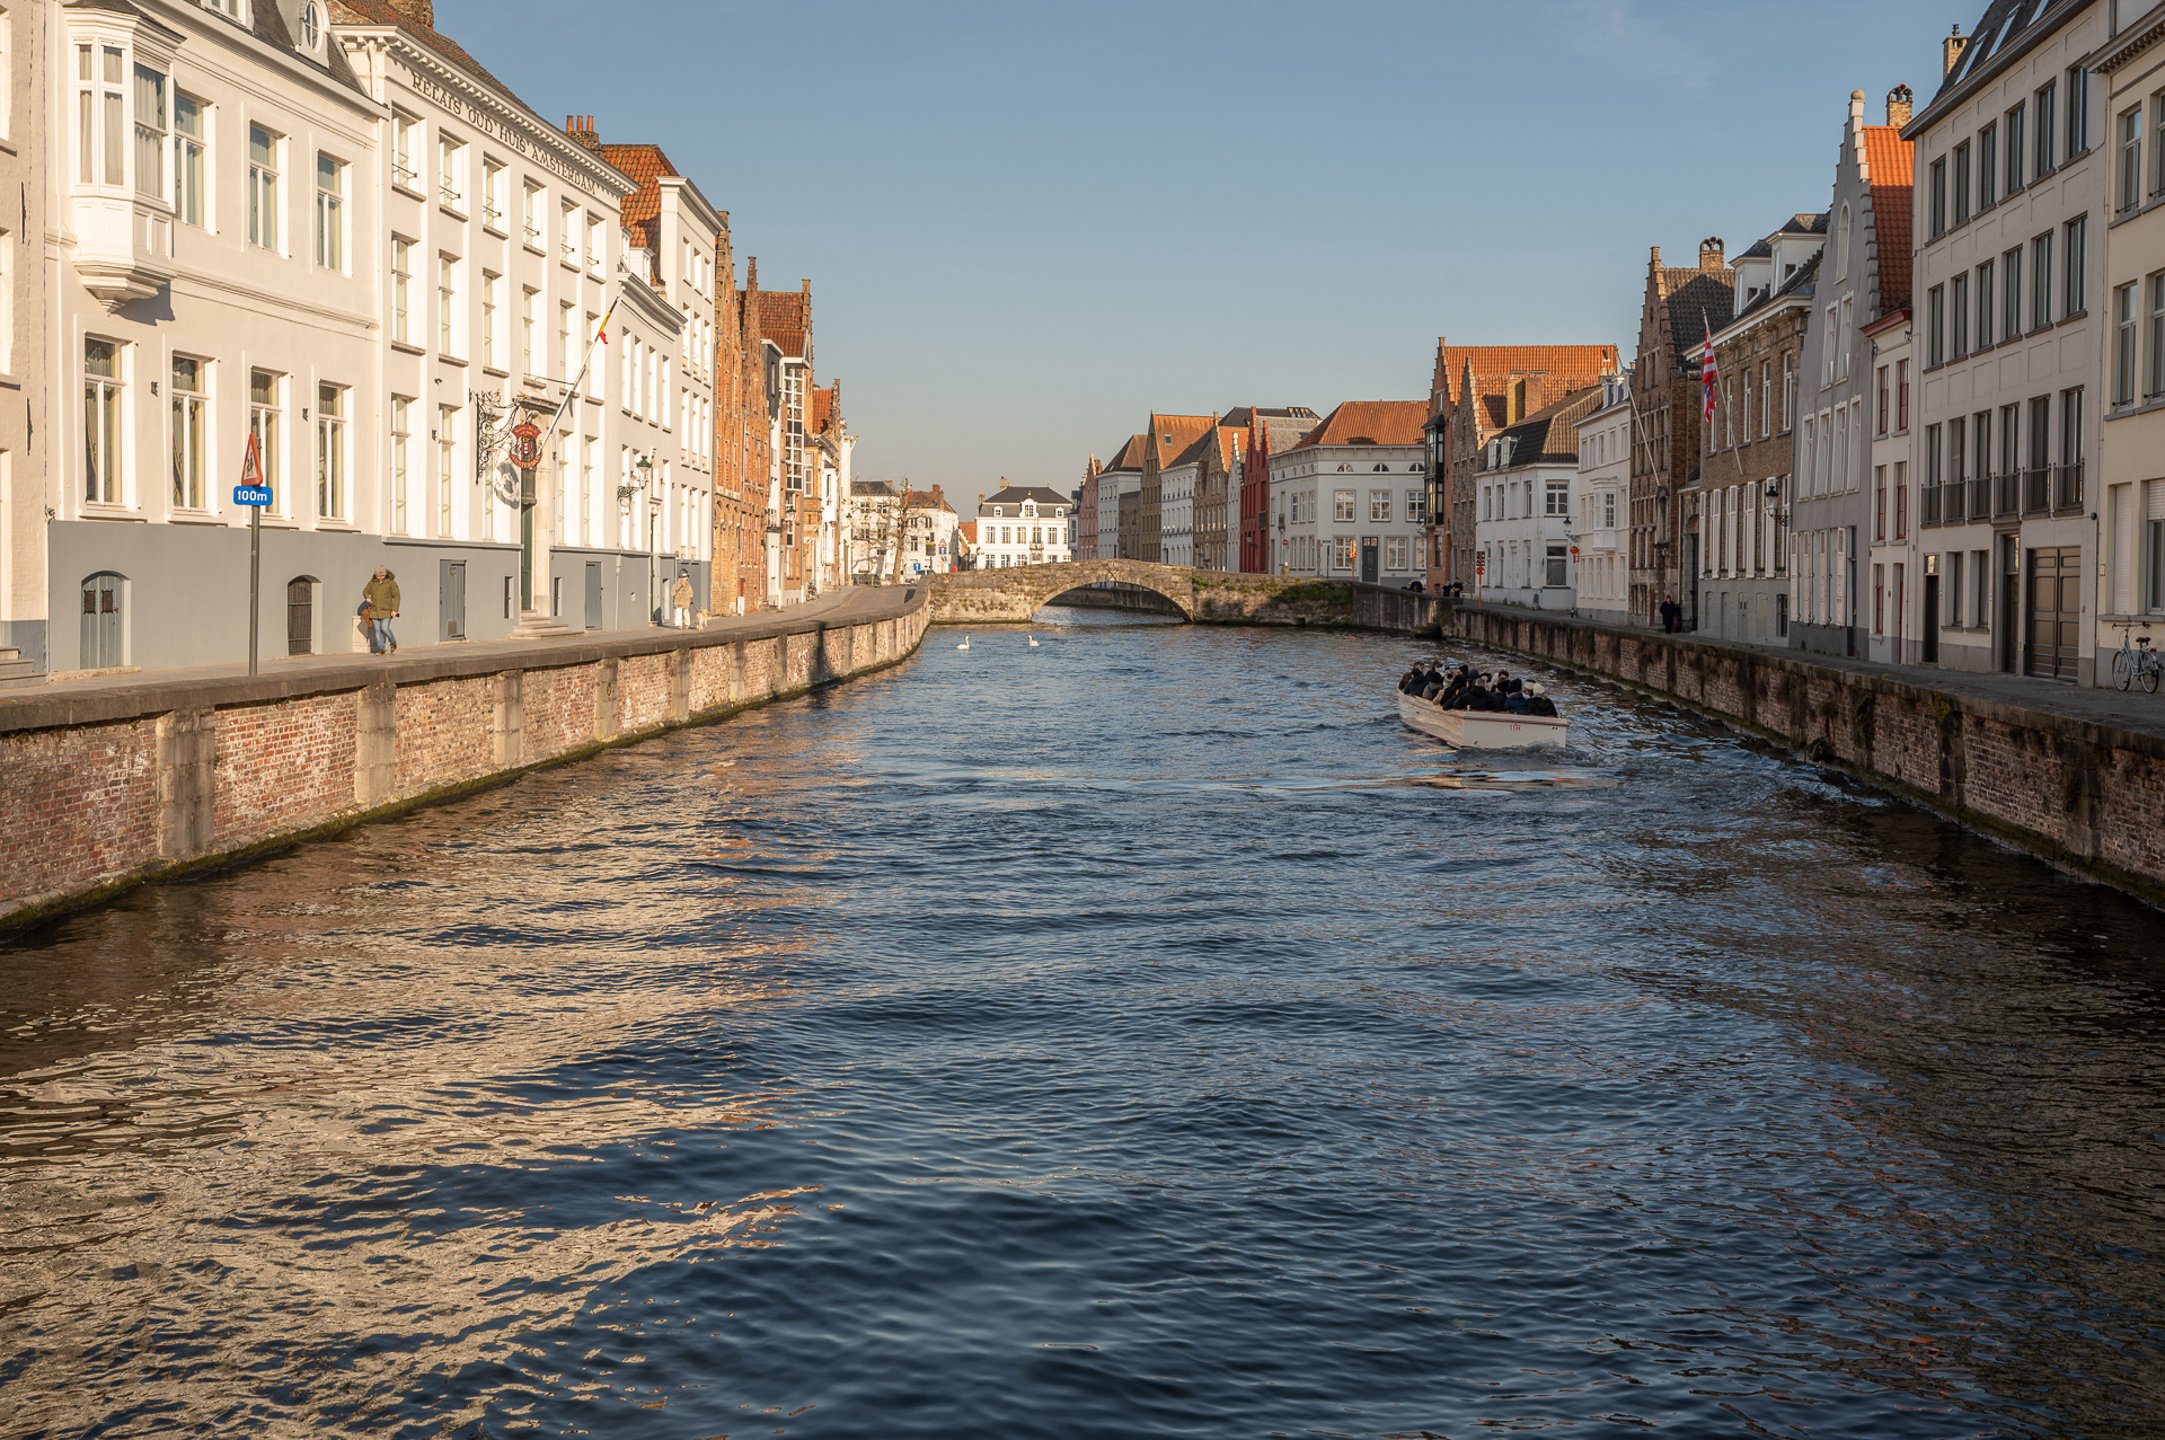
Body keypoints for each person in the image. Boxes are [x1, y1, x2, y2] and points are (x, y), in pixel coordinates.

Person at [363, 567, 400, 655]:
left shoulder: (391, 583)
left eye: (381, 575)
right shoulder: (372, 582)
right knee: (377, 630)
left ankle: (393, 642)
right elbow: (365, 591)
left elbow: (397, 596)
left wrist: (395, 610)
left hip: (386, 610)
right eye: (378, 575)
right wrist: (367, 597)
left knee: (385, 628)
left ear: (385, 574)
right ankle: (381, 649)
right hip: (374, 610)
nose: (379, 577)